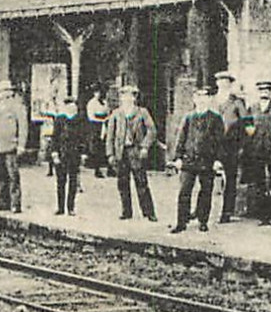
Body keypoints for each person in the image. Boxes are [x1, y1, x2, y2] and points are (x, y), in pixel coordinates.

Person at [170, 85, 225, 233]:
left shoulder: (216, 118)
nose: (201, 100)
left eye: (204, 97)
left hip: (207, 161)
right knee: (184, 191)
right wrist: (178, 158)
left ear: (209, 99)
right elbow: (181, 138)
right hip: (189, 160)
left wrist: (218, 160)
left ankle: (203, 220)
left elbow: (220, 142)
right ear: (194, 99)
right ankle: (181, 222)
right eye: (198, 97)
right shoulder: (188, 117)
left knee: (206, 191)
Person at [105, 84, 157, 222]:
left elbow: (152, 131)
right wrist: (110, 154)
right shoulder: (116, 114)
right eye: (124, 96)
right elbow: (110, 136)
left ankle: (149, 212)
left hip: (136, 152)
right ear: (121, 98)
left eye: (130, 96)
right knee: (122, 183)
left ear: (134, 98)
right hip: (121, 152)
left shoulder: (142, 112)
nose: (127, 99)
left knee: (141, 182)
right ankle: (126, 211)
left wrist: (145, 146)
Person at [243, 79, 271, 225]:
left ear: (270, 92)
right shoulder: (252, 108)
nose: (264, 93)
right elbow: (247, 125)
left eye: (266, 90)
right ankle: (263, 216)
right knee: (259, 183)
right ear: (258, 92)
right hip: (256, 150)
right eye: (261, 90)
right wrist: (250, 134)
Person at [0, 79, 29, 213]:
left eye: (5, 91)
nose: (2, 95)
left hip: (11, 145)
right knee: (0, 175)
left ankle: (15, 203)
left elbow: (23, 127)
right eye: (0, 92)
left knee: (13, 175)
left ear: (10, 92)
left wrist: (21, 145)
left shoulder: (17, 106)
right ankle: (3, 201)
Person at [212, 70, 247, 224]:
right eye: (220, 81)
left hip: (230, 145)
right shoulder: (211, 100)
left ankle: (227, 212)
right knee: (205, 177)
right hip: (212, 145)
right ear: (217, 83)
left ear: (230, 84)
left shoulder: (236, 102)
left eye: (226, 81)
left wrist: (243, 144)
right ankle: (201, 210)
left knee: (230, 180)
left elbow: (248, 124)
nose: (223, 83)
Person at [48, 93, 84, 216]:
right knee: (60, 181)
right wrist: (54, 153)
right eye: (69, 106)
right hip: (61, 154)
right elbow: (54, 138)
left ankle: (71, 207)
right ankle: (60, 207)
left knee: (73, 181)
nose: (71, 108)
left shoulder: (79, 120)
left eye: (73, 106)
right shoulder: (60, 120)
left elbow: (83, 138)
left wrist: (83, 153)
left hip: (74, 155)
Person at [84, 86, 111, 179]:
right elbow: (91, 117)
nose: (98, 94)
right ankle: (97, 169)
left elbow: (108, 113)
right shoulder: (91, 103)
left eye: (99, 92)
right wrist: (101, 120)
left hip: (104, 125)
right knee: (96, 148)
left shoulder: (104, 103)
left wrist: (106, 119)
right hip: (95, 126)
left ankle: (110, 169)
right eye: (96, 92)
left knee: (106, 146)